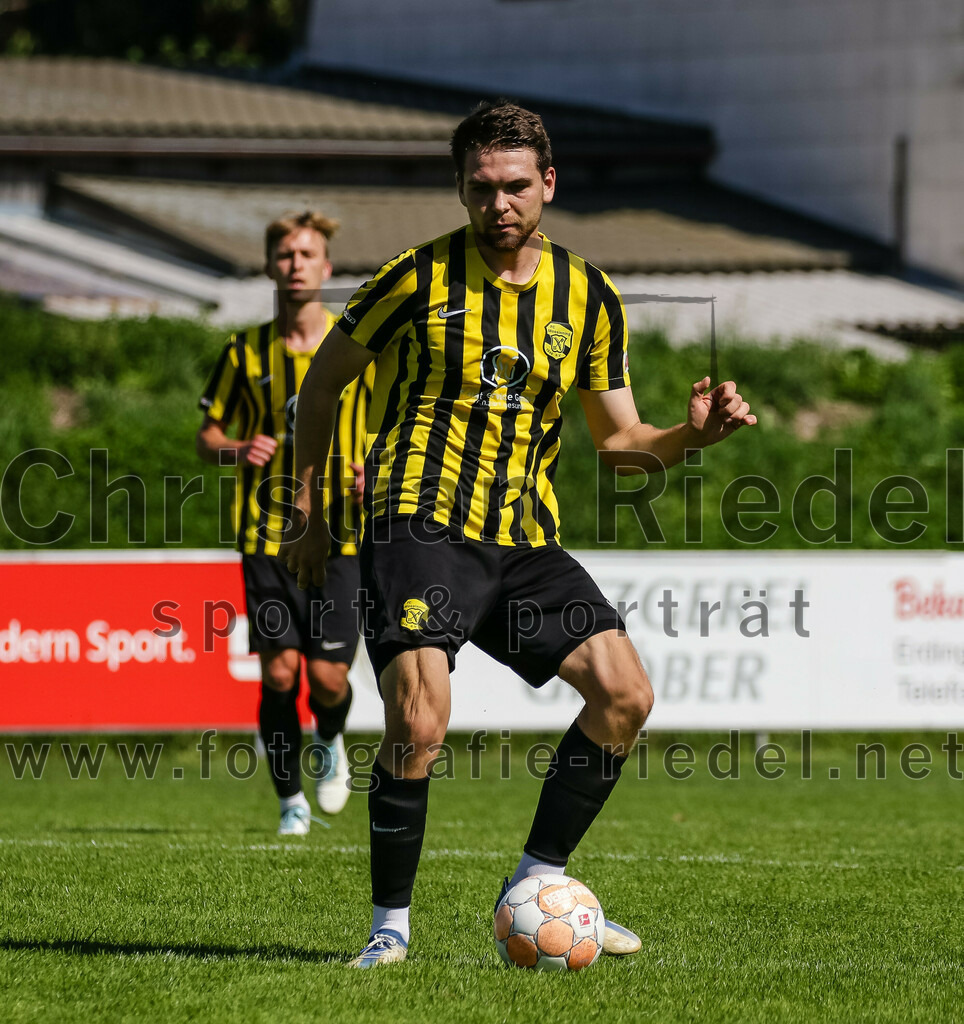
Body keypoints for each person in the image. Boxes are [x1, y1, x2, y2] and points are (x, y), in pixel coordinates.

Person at [278, 102, 757, 964]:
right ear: (461, 190)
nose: (500, 203)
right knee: (420, 722)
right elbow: (323, 387)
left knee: (626, 697)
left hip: (523, 540)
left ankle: (536, 883)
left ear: (548, 184)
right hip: (418, 521)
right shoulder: (413, 279)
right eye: (481, 187)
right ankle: (390, 931)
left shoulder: (589, 294)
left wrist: (691, 437)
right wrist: (308, 507)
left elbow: (620, 446)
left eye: (515, 186)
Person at [197, 211, 372, 835]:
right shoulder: (244, 352)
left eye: (307, 254)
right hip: (266, 537)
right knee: (279, 671)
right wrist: (236, 449)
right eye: (285, 254)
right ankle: (289, 801)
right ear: (271, 264)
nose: (296, 264)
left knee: (326, 678)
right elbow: (206, 435)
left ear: (326, 268)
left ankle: (331, 738)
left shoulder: (356, 351)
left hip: (341, 535)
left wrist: (371, 469)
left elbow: (392, 429)